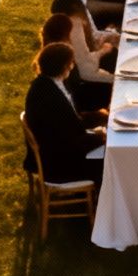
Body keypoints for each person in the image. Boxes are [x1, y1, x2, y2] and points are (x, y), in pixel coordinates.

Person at [23, 42, 105, 187]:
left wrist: (102, 116)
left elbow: (72, 122)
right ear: (63, 66)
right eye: (70, 62)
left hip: (56, 150)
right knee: (112, 160)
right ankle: (101, 202)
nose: (73, 65)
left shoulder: (46, 83)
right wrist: (101, 138)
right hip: (59, 165)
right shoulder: (49, 97)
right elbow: (68, 141)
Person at [42, 13, 112, 115]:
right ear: (65, 35)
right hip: (78, 101)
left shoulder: (50, 53)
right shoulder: (62, 56)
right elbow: (82, 76)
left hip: (78, 94)